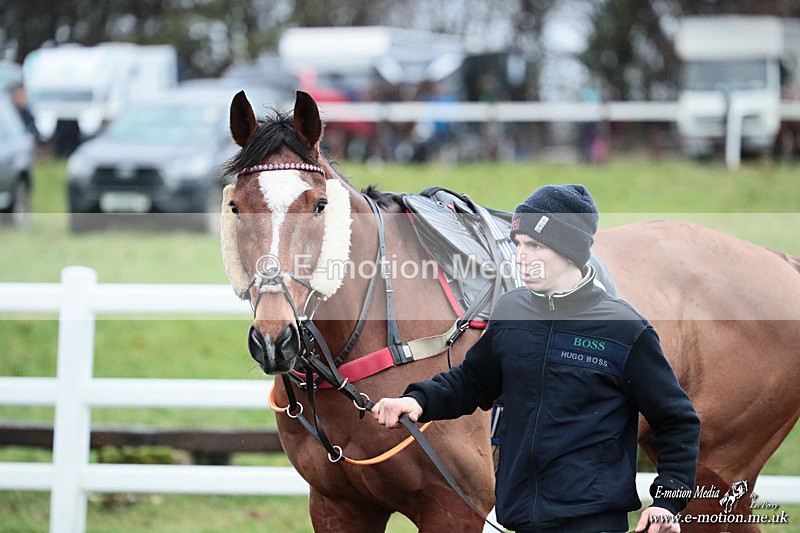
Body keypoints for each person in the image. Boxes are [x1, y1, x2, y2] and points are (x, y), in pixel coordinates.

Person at [371, 184, 701, 533]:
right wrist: (418, 400)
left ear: (569, 251)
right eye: (519, 245)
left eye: (535, 246)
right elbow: (472, 382)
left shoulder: (624, 329)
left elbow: (676, 420)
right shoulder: (513, 311)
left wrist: (667, 502)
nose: (521, 256)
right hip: (520, 519)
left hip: (592, 523)